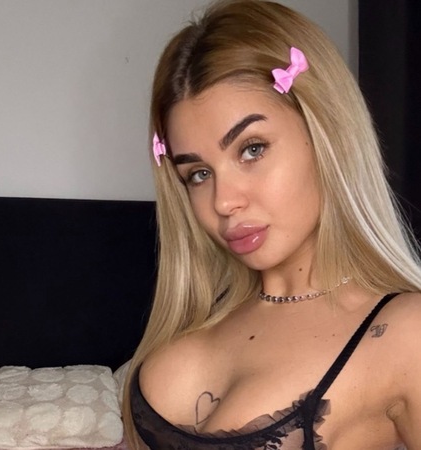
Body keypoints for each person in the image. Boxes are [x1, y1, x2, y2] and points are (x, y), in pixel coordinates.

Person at [121, 0, 421, 448]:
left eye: (252, 149)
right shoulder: (192, 327)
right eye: (198, 174)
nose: (224, 201)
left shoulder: (404, 332)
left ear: (328, 134)